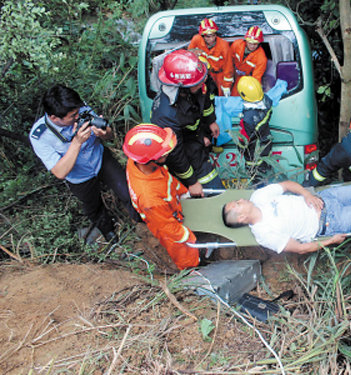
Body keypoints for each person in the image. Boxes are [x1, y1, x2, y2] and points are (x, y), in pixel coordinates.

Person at [29, 84, 140, 241]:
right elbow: (59, 172)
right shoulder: (40, 137)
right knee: (93, 206)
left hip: (100, 159)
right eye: (72, 116)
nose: (78, 116)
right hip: (79, 177)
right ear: (54, 118)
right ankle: (108, 232)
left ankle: (140, 220)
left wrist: (105, 133)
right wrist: (77, 142)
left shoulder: (80, 109)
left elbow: (109, 135)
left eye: (78, 112)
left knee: (127, 191)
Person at [222, 176, 351, 254]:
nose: (240, 199)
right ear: (241, 219)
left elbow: (287, 185)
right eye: (237, 204)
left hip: (326, 198)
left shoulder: (258, 196)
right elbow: (301, 248)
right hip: (330, 222)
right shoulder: (264, 234)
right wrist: (330, 241)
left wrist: (307, 194)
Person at [123, 124, 199, 270]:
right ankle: (191, 269)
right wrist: (189, 236)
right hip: (166, 221)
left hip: (169, 206)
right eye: (164, 153)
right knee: (182, 248)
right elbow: (168, 229)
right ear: (151, 159)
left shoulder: (138, 162)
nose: (167, 153)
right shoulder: (150, 198)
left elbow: (168, 182)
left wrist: (183, 194)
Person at [151, 49, 224, 197]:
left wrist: (211, 121)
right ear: (181, 87)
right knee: (215, 190)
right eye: (199, 82)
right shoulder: (166, 115)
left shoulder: (194, 83)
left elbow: (205, 99)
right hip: (186, 150)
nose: (203, 82)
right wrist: (192, 181)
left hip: (196, 137)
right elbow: (174, 154)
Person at [237, 76, 273, 184]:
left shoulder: (248, 119)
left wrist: (240, 147)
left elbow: (243, 140)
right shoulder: (267, 101)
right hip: (265, 142)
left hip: (254, 153)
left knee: (255, 175)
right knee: (265, 165)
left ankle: (258, 187)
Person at [188, 18, 234, 97]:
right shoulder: (196, 40)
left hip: (219, 74)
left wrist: (227, 86)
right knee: (201, 94)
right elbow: (189, 57)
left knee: (220, 95)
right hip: (203, 73)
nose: (211, 39)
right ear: (202, 36)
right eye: (208, 36)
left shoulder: (224, 45)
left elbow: (228, 66)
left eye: (213, 35)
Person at [230, 26, 268, 97]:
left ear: (259, 43)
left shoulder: (261, 58)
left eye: (255, 44)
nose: (252, 46)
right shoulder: (237, 44)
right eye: (250, 43)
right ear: (246, 40)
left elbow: (256, 78)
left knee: (236, 95)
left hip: (244, 77)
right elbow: (228, 60)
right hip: (231, 71)